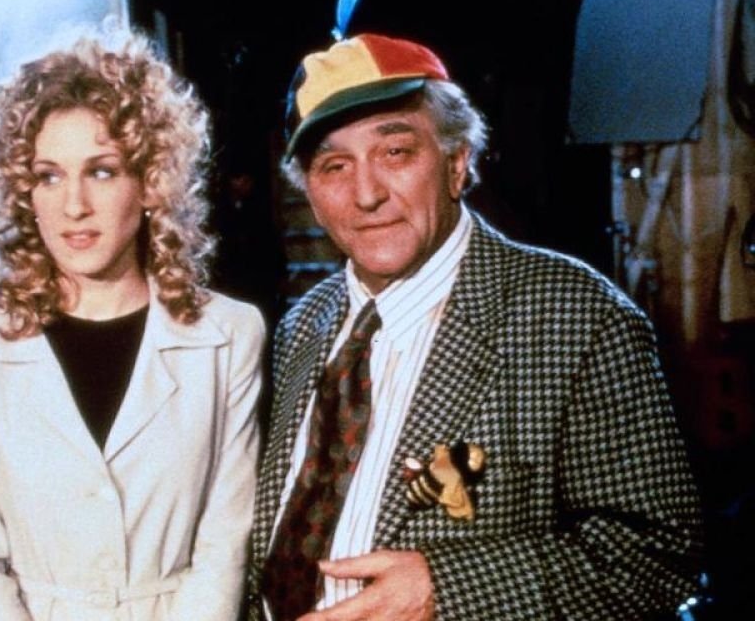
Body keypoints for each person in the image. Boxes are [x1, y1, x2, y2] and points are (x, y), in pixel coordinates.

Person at [246, 33, 704, 620]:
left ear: (457, 163)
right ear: (310, 193)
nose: (367, 194)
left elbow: (656, 557)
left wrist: (444, 588)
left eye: (395, 152)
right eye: (335, 166)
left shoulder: (578, 315)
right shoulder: (301, 325)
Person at [0, 29, 265, 620]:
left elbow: (223, 547)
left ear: (150, 182)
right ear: (23, 191)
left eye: (103, 171)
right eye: (48, 176)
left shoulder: (228, 335)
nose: (74, 206)